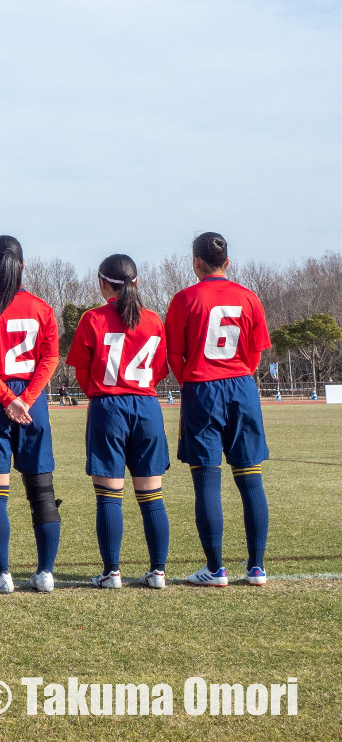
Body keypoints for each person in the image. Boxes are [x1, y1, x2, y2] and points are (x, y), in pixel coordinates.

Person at [165, 232, 272, 587]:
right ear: (228, 262)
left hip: (201, 388)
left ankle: (215, 569)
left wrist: (192, 382)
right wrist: (239, 376)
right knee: (250, 478)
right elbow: (256, 352)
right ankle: (256, 568)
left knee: (207, 480)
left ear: (195, 262)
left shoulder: (184, 299)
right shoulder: (248, 297)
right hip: (242, 386)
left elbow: (174, 355)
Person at [0, 236, 62, 595]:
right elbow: (50, 358)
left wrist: (8, 398)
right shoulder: (41, 308)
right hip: (32, 403)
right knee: (42, 492)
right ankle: (46, 573)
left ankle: (1, 575)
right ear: (22, 265)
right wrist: (27, 398)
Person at [66, 254, 171, 589]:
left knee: (109, 495)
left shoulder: (93, 319)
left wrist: (103, 393)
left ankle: (112, 572)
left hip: (108, 407)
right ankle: (158, 572)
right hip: (147, 407)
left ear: (102, 283)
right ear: (136, 282)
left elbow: (82, 370)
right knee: (152, 495)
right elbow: (160, 370)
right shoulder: (154, 320)